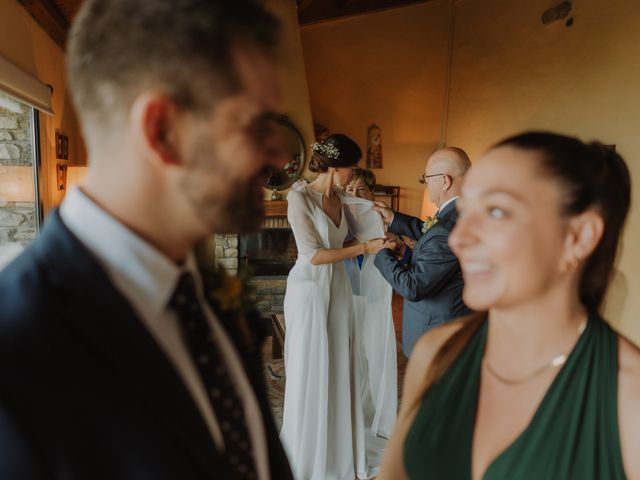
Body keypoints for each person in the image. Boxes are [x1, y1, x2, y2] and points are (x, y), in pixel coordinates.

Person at [0, 1, 294, 479]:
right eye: (257, 125)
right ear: (162, 131)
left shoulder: (206, 292)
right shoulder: (16, 359)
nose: (281, 156)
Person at [381, 132, 640, 479]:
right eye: (469, 210)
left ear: (578, 236)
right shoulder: (435, 351)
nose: (460, 238)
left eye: (497, 211)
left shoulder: (627, 395)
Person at [280, 135, 386, 480]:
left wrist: (378, 236)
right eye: (352, 167)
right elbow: (313, 254)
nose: (354, 174)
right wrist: (364, 249)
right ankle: (310, 454)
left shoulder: (341, 198)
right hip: (309, 290)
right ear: (335, 167)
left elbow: (350, 240)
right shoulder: (299, 198)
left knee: (340, 363)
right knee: (313, 365)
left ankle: (341, 452)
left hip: (338, 286)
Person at [374, 147, 472, 357]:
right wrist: (393, 218)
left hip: (436, 334)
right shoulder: (463, 212)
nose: (426, 184)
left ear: (445, 181)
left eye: (426, 178)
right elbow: (434, 234)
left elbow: (413, 287)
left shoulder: (448, 228)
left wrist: (382, 254)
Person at [344, 168, 398, 440]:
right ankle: (349, 413)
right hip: (346, 293)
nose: (354, 195)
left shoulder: (381, 218)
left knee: (376, 352)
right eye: (350, 190)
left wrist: (391, 241)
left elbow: (394, 249)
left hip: (374, 294)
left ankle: (382, 417)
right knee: (349, 356)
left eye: (360, 190)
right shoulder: (338, 217)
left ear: (371, 193)